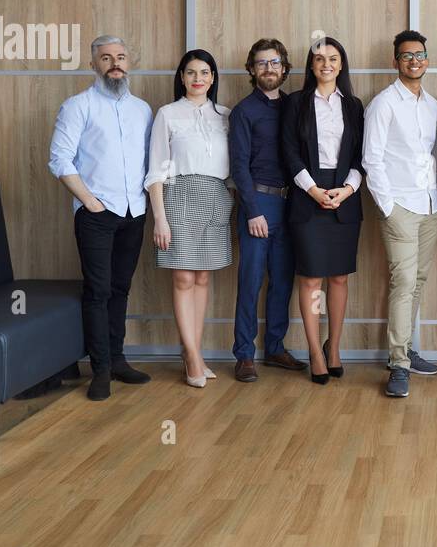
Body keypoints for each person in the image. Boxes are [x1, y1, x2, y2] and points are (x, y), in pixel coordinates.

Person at [48, 35, 154, 402]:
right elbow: (60, 160)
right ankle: (101, 369)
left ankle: (119, 359)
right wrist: (90, 202)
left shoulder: (142, 109)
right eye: (106, 58)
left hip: (134, 213)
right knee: (98, 291)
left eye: (121, 57)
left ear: (129, 62)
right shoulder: (78, 106)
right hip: (96, 214)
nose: (115, 63)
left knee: (120, 289)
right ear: (93, 63)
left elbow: (148, 163)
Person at [363, 30, 437, 399]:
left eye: (420, 55)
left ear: (426, 60)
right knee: (402, 283)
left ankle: (406, 349)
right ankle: (398, 364)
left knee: (417, 281)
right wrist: (388, 206)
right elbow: (372, 158)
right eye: (406, 56)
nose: (414, 61)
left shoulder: (432, 105)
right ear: (395, 61)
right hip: (399, 206)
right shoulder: (383, 104)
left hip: (430, 206)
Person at [146, 49, 233, 389]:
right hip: (178, 194)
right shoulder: (167, 114)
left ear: (213, 78)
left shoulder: (225, 116)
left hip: (216, 196)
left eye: (205, 72)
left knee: (203, 278)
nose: (198, 78)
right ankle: (193, 356)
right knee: (183, 277)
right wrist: (160, 219)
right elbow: (155, 169)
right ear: (181, 77)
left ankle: (193, 352)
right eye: (191, 72)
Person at [280, 36, 365, 386]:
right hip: (307, 194)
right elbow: (289, 152)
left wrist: (346, 190)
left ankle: (335, 348)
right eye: (319, 59)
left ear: (341, 64)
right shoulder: (296, 103)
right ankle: (315, 350)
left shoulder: (355, 105)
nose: (326, 64)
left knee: (340, 277)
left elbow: (363, 155)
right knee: (312, 278)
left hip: (344, 195)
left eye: (333, 58)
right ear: (311, 66)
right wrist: (314, 190)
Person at [229, 38, 306, 382]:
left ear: (285, 68)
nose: (269, 69)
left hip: (291, 205)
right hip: (257, 205)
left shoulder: (296, 107)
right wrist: (252, 211)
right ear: (251, 69)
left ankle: (275, 347)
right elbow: (239, 167)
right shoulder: (244, 111)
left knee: (282, 281)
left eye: (274, 63)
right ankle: (244, 354)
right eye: (261, 63)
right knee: (250, 281)